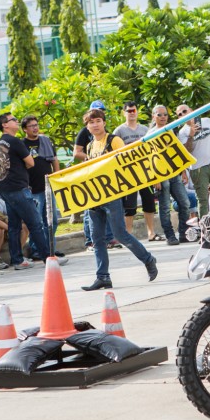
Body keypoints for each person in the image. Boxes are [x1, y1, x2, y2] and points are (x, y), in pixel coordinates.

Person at [79, 108, 157, 292]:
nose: (95, 125)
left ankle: (148, 259)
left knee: (120, 234)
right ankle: (103, 277)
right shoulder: (90, 146)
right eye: (91, 122)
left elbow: (125, 162)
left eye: (98, 121)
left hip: (112, 195)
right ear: (87, 127)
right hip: (94, 197)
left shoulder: (114, 140)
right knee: (97, 239)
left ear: (104, 123)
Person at [0, 112, 65, 270]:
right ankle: (49, 258)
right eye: (13, 120)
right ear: (5, 125)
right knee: (36, 223)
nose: (17, 122)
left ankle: (17, 260)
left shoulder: (1, 142)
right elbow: (31, 162)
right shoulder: (15, 141)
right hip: (18, 187)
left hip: (5, 187)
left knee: (14, 225)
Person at [75, 100, 118, 250]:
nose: (95, 123)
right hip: (91, 177)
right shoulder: (85, 135)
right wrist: (92, 159)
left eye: (100, 114)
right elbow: (77, 152)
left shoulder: (110, 137)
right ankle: (90, 241)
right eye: (91, 121)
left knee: (107, 213)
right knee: (90, 213)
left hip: (107, 180)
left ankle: (109, 238)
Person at [113, 102, 159, 240]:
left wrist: (155, 174)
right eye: (129, 111)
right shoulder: (119, 131)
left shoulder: (145, 130)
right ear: (124, 113)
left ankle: (151, 233)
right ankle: (128, 234)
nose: (132, 113)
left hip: (145, 171)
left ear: (137, 112)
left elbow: (153, 150)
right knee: (129, 206)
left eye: (134, 110)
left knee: (149, 202)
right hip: (128, 173)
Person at [176, 104, 210, 217]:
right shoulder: (183, 132)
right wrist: (191, 135)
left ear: (191, 110)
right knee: (203, 199)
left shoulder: (207, 121)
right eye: (179, 114)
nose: (182, 115)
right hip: (198, 169)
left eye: (184, 111)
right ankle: (205, 227)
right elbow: (187, 152)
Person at [20, 115, 62, 255]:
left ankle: (50, 249)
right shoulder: (22, 144)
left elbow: (54, 160)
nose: (35, 128)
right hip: (33, 190)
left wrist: (57, 178)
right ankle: (37, 250)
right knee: (36, 223)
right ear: (25, 129)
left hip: (48, 187)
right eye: (31, 126)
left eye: (36, 125)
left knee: (52, 221)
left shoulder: (45, 141)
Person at [149, 105, 189, 245]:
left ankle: (183, 233)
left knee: (185, 203)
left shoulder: (171, 129)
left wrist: (183, 171)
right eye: (159, 115)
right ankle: (170, 236)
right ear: (154, 116)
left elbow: (178, 151)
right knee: (165, 208)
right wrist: (155, 178)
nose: (163, 117)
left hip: (174, 173)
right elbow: (149, 159)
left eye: (165, 114)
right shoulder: (150, 134)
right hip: (161, 175)